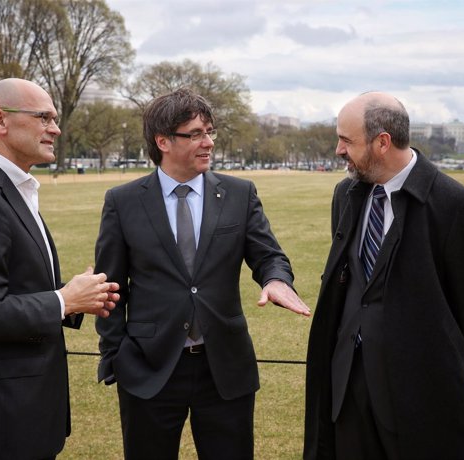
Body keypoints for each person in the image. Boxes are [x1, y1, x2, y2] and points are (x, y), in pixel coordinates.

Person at [94, 87, 310, 460]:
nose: (208, 142)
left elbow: (269, 256)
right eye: (195, 134)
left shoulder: (241, 194)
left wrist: (276, 279)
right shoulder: (123, 201)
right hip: (149, 369)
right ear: (162, 140)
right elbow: (111, 287)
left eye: (210, 131)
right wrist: (116, 356)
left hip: (224, 368)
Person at [0, 78, 120, 460]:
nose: (56, 128)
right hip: (1, 420)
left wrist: (79, 296)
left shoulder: (10, 190)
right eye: (44, 117)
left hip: (26, 413)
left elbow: (17, 287)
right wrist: (64, 301)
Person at [304, 92, 464, 459]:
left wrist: (425, 363)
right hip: (347, 389)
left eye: (346, 140)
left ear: (382, 142)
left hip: (418, 396)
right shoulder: (345, 195)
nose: (338, 150)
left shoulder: (456, 206)